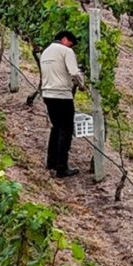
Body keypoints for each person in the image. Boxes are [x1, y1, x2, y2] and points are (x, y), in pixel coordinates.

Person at [40, 30, 86, 178]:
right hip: (62, 95)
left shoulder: (45, 52)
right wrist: (82, 84)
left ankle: (51, 162)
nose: (71, 47)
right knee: (66, 130)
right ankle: (62, 168)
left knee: (56, 128)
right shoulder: (66, 51)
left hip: (47, 94)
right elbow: (74, 72)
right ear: (65, 39)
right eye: (71, 44)